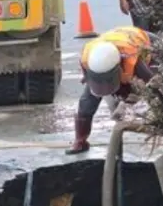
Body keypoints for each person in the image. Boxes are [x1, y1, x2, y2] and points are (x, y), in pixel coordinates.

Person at [66, 26, 156, 154]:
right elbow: (87, 79)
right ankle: (80, 141)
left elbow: (155, 86)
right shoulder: (88, 58)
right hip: (115, 40)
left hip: (145, 41)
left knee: (155, 95)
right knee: (86, 102)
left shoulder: (132, 60)